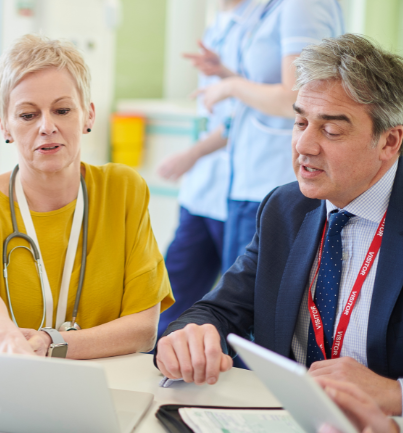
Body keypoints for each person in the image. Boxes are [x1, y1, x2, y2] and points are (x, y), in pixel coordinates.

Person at [155, 35, 403, 421]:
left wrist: (396, 393)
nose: (305, 145)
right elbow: (220, 309)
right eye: (300, 122)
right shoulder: (286, 208)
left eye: (331, 131)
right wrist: (187, 336)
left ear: (389, 141)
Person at [0, 35, 174, 358]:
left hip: (103, 382)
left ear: (89, 115)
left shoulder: (123, 190)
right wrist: (6, 339)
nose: (47, 126)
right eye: (27, 115)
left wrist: (50, 343)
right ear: (5, 127)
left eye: (63, 110)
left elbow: (144, 330)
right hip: (9, 377)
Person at [195, 0, 344, 273]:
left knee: (248, 308)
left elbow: (297, 97)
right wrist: (225, 73)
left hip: (272, 179)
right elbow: (272, 84)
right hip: (250, 177)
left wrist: (231, 86)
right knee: (235, 302)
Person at [156, 0, 260, 338]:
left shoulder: (258, 28)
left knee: (230, 310)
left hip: (235, 193)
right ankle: (160, 366)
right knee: (171, 295)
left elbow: (247, 115)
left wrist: (192, 154)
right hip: (202, 191)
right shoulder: (217, 27)